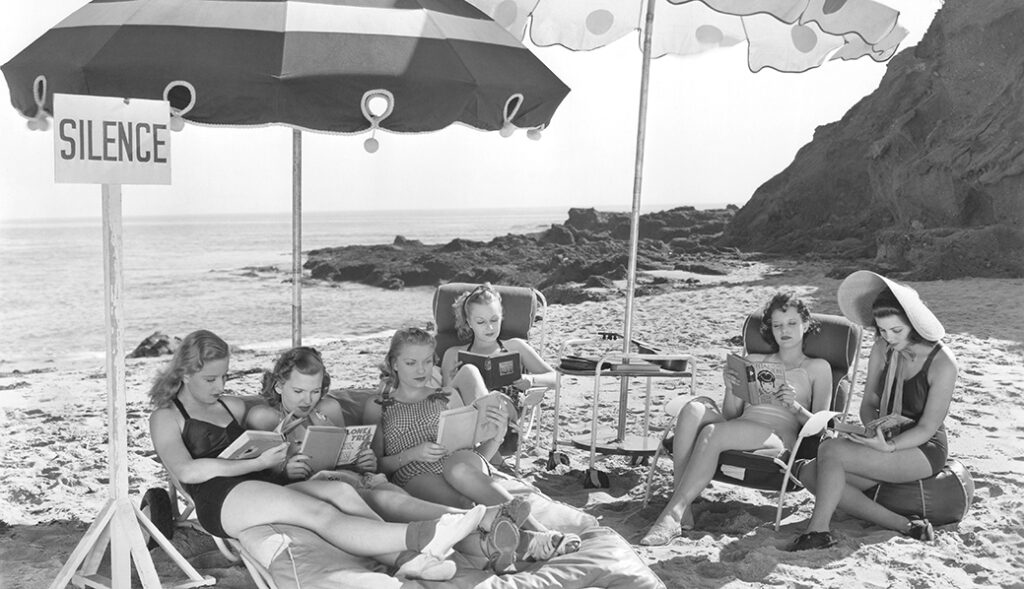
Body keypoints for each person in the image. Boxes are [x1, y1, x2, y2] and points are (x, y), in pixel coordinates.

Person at [148, 330, 486, 581]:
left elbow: (263, 430)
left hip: (262, 485)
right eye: (210, 378)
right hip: (221, 497)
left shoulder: (230, 405)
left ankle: (409, 560)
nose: (219, 386)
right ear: (185, 373)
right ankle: (427, 533)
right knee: (319, 512)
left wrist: (282, 452)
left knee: (339, 491)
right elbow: (186, 471)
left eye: (224, 376)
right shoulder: (167, 415)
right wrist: (256, 463)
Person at [247, 345, 531, 572]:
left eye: (315, 390)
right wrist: (285, 470)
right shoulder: (265, 417)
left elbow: (346, 451)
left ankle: (486, 541)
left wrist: (365, 459)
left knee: (397, 497)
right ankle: (485, 525)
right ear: (278, 386)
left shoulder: (329, 408)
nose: (308, 400)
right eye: (298, 391)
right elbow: (257, 477)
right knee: (391, 503)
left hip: (357, 479)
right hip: (319, 492)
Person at [363, 327, 581, 563]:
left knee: (458, 467)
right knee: (462, 504)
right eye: (411, 362)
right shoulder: (378, 405)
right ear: (394, 363)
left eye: (427, 362)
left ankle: (541, 532)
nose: (421, 369)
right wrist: (412, 454)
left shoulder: (446, 395)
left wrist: (496, 438)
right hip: (413, 472)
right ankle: (527, 541)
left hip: (461, 462)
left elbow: (477, 455)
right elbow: (377, 468)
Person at [640, 292, 834, 546]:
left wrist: (795, 406)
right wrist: (731, 387)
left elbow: (821, 426)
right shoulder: (753, 360)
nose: (784, 330)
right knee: (692, 409)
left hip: (777, 436)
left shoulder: (818, 368)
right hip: (741, 427)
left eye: (791, 323)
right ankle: (683, 509)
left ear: (806, 324)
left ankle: (672, 515)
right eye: (777, 325)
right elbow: (731, 414)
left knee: (713, 433)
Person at [789, 271, 956, 551]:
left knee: (830, 451)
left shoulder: (943, 363)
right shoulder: (883, 347)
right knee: (809, 473)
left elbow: (927, 428)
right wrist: (873, 427)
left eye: (896, 331)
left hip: (922, 449)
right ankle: (905, 525)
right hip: (885, 434)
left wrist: (888, 446)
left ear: (914, 324)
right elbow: (869, 402)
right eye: (881, 330)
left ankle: (817, 531)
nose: (888, 337)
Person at [440, 283, 556, 452]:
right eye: (481, 322)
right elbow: (445, 402)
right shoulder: (452, 354)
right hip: (467, 420)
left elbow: (556, 378)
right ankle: (487, 447)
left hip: (505, 419)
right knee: (468, 373)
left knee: (472, 375)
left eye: (494, 320)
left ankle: (488, 442)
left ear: (502, 317)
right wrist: (453, 378)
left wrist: (531, 380)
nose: (490, 327)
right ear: (469, 322)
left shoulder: (515, 347)